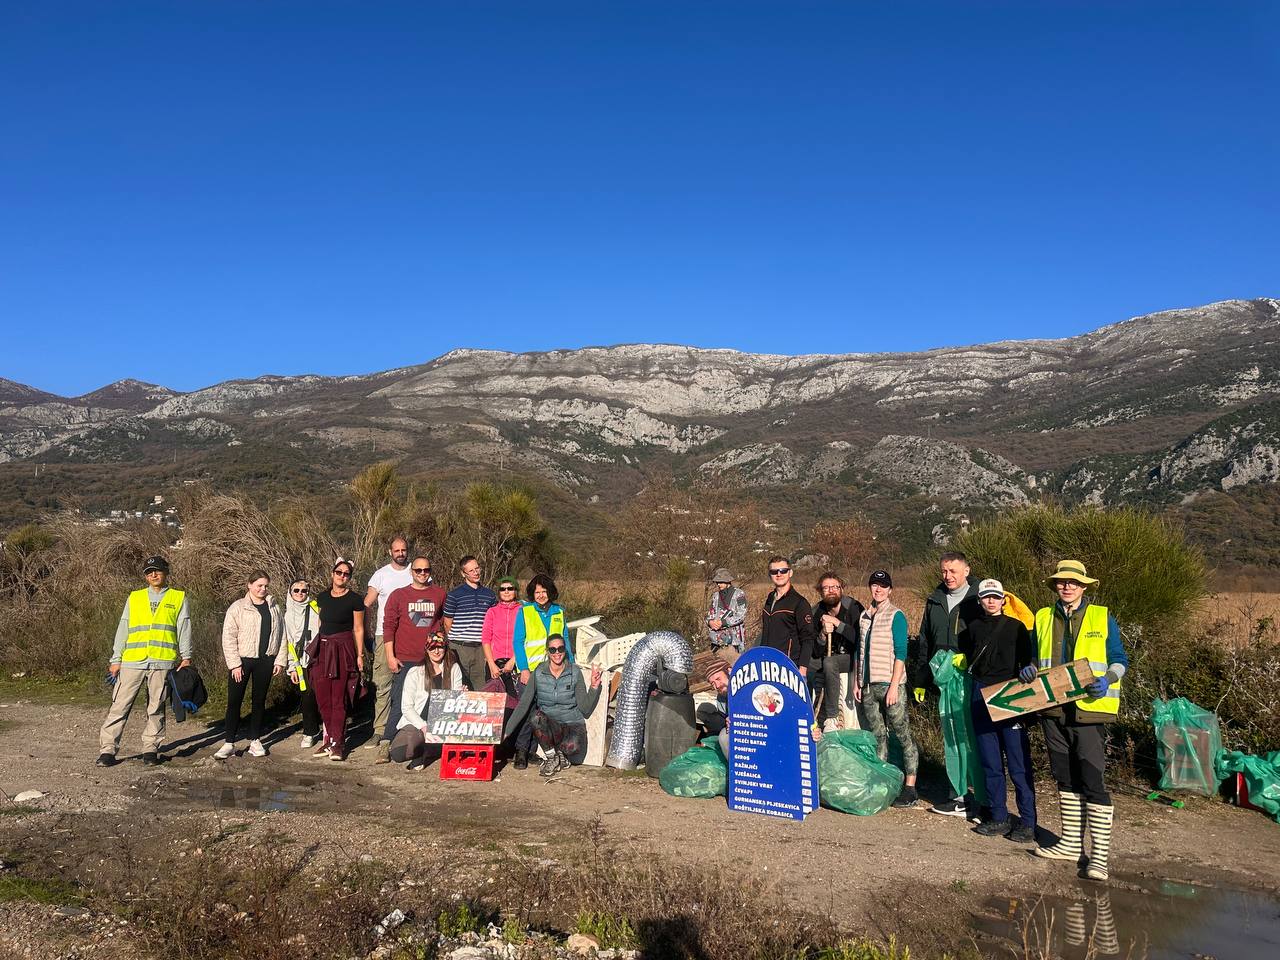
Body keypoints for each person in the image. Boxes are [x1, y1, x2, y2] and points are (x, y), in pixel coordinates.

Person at [1033, 560, 1129, 883]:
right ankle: (1071, 844)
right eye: (1062, 581)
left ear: (1084, 587)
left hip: (1089, 710)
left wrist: (1108, 679)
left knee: (1092, 780)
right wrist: (1029, 668)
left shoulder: (1102, 617)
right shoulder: (1043, 617)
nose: (1067, 586)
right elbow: (1036, 658)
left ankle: (1099, 858)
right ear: (1056, 585)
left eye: (1073, 582)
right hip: (1053, 710)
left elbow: (1119, 660)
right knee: (1065, 777)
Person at [957, 579, 1037, 842]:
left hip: (1011, 696)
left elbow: (1029, 659)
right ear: (979, 600)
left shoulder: (1018, 628)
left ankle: (1027, 822)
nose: (991, 601)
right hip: (980, 696)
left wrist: (1030, 668)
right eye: (986, 597)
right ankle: (999, 817)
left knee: (1018, 764)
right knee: (991, 763)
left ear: (1004, 600)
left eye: (995, 597)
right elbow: (966, 657)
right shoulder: (971, 629)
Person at [97, 555, 192, 767]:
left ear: (166, 572)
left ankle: (151, 749)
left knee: (156, 707)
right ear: (146, 576)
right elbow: (123, 628)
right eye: (149, 572)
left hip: (162, 661)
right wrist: (116, 659)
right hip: (132, 660)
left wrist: (186, 657)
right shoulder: (135, 597)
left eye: (157, 570)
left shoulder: (178, 597)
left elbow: (184, 629)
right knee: (120, 706)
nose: (153, 575)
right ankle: (108, 750)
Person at [911, 551, 983, 818]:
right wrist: (921, 679)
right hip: (943, 676)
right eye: (944, 571)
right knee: (951, 735)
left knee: (973, 737)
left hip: (972, 677)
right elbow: (925, 641)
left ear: (966, 570)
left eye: (953, 571)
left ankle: (982, 797)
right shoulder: (935, 599)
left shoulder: (979, 597)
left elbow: (990, 636)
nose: (948, 576)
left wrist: (972, 660)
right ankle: (958, 796)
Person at [853, 570, 919, 808]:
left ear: (890, 590)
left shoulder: (896, 616)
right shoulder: (864, 616)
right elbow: (859, 651)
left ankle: (910, 787)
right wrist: (857, 682)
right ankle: (882, 782)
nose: (878, 589)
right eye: (874, 585)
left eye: (882, 586)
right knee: (878, 736)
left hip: (890, 685)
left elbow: (901, 652)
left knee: (903, 735)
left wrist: (894, 686)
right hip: (868, 686)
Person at [376, 555, 447, 762]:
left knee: (436, 703)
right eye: (418, 570)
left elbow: (444, 622)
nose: (422, 574)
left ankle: (434, 745)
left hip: (433, 659)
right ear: (411, 572)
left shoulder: (439, 594)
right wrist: (390, 655)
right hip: (405, 658)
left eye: (426, 570)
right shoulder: (399, 595)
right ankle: (386, 744)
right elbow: (388, 626)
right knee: (399, 702)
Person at [505, 635, 602, 777]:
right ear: (547, 652)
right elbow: (524, 704)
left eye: (561, 648)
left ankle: (562, 754)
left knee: (572, 748)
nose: (557, 653)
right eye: (553, 649)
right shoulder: (538, 673)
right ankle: (552, 758)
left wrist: (594, 687)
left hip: (571, 723)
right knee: (535, 718)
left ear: (565, 650)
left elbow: (585, 708)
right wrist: (506, 731)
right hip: (550, 725)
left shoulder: (574, 672)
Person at [214, 571, 287, 759]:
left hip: (266, 660)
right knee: (234, 701)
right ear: (249, 585)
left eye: (265, 586)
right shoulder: (237, 607)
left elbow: (282, 635)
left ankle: (255, 740)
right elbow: (228, 637)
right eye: (259, 585)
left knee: (259, 702)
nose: (263, 589)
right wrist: (234, 665)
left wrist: (279, 660)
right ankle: (229, 742)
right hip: (242, 662)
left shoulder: (274, 607)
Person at [510, 574, 570, 769]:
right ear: (532, 594)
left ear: (550, 592)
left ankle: (531, 751)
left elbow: (565, 641)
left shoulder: (559, 612)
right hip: (531, 671)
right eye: (537, 592)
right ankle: (520, 751)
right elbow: (518, 642)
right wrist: (524, 669)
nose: (541, 595)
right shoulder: (525, 611)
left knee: (542, 712)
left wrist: (571, 666)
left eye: (544, 591)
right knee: (526, 711)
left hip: (553, 672)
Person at [311, 558, 365, 761]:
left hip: (343, 648)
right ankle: (329, 740)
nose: (342, 576)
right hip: (323, 648)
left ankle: (338, 743)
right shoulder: (322, 597)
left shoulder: (355, 599)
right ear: (332, 573)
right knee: (323, 697)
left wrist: (359, 656)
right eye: (339, 572)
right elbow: (319, 623)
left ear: (350, 577)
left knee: (338, 698)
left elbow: (358, 629)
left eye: (346, 574)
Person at [364, 537, 413, 753]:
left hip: (411, 636)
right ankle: (380, 730)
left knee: (410, 683)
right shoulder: (381, 575)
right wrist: (366, 632)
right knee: (382, 683)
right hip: (384, 635)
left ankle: (405, 728)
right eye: (397, 550)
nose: (400, 553)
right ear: (389, 551)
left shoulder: (417, 571)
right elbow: (366, 604)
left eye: (403, 550)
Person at [388, 635, 465, 770]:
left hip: (444, 722)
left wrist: (462, 694)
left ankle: (433, 749)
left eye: (440, 647)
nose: (436, 651)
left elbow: (456, 701)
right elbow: (407, 707)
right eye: (432, 648)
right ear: (427, 649)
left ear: (445, 648)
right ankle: (424, 750)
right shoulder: (415, 672)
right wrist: (423, 727)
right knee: (399, 753)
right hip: (418, 722)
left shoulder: (454, 669)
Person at [809, 572, 863, 732]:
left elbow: (860, 639)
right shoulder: (816, 611)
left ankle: (832, 718)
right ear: (820, 591)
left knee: (830, 662)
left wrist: (838, 624)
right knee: (808, 665)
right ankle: (806, 714)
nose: (831, 590)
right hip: (826, 658)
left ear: (841, 588)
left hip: (851, 658)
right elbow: (815, 650)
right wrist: (823, 635)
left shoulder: (853, 607)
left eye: (835, 587)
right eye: (826, 588)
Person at [442, 555, 497, 690]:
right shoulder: (454, 595)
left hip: (480, 648)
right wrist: (456, 642)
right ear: (463, 573)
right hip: (459, 647)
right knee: (458, 685)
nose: (476, 573)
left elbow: (493, 622)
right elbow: (447, 623)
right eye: (471, 570)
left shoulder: (489, 595)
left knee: (480, 686)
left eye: (477, 568)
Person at [283, 577, 323, 748]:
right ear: (290, 592)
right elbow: (288, 642)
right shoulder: (287, 614)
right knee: (307, 697)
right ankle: (310, 731)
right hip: (300, 662)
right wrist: (292, 667)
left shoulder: (315, 608)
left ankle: (328, 729)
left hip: (318, 658)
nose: (300, 594)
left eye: (304, 591)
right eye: (296, 590)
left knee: (322, 695)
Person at [759, 557, 815, 676]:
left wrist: (802, 669)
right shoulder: (770, 599)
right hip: (768, 664)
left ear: (790, 573)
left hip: (789, 665)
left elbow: (808, 638)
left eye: (783, 570)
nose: (779, 574)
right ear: (770, 575)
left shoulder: (799, 603)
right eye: (774, 571)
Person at [482, 576, 523, 685]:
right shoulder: (492, 612)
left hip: (517, 662)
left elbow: (527, 639)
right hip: (496, 664)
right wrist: (491, 664)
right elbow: (486, 639)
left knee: (516, 699)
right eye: (502, 589)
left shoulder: (523, 611)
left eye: (510, 588)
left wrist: (513, 660)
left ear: (516, 591)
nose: (506, 592)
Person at [695, 656, 733, 758]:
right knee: (723, 736)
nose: (716, 686)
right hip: (735, 730)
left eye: (718, 679)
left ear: (729, 671)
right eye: (712, 683)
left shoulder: (747, 687)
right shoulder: (721, 698)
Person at [705, 568, 747, 653]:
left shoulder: (739, 594)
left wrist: (723, 622)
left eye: (721, 582)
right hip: (716, 641)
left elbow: (741, 615)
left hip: (735, 641)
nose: (719, 584)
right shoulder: (715, 596)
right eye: (717, 582)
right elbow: (710, 614)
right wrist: (710, 622)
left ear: (728, 581)